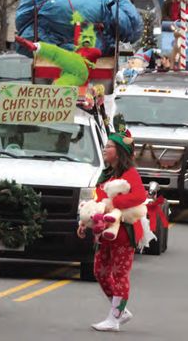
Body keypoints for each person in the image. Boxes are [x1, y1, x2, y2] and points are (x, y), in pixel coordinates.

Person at [77, 131, 146, 332]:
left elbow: (139, 196)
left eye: (109, 146)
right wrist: (85, 221)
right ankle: (120, 310)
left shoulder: (130, 174)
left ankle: (114, 318)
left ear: (120, 152)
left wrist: (112, 203)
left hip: (124, 232)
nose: (105, 149)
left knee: (119, 273)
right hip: (105, 231)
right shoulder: (108, 173)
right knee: (100, 270)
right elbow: (97, 201)